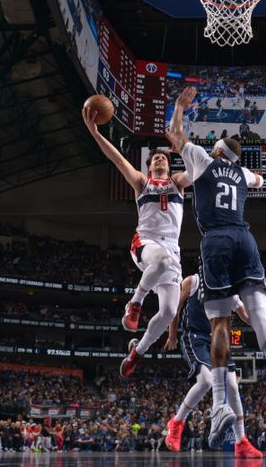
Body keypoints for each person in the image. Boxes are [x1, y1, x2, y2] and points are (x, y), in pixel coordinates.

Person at [166, 87, 266, 450]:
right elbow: (260, 179)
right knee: (261, 319)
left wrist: (180, 109)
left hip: (217, 242)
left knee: (220, 325)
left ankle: (221, 406)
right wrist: (245, 170)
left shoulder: (202, 160)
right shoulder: (243, 174)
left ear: (216, 151)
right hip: (246, 238)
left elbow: (175, 136)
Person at [82, 100, 191, 378]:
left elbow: (199, 170)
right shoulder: (142, 183)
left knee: (168, 311)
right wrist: (95, 133)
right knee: (163, 261)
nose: (159, 159)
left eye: (163, 158)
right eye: (155, 158)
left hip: (170, 251)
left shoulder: (177, 182)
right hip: (145, 243)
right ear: (149, 164)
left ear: (169, 164)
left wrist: (187, 149)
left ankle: (136, 352)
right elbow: (117, 159)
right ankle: (135, 303)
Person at [162, 273, 266, 458]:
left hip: (218, 339)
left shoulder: (227, 288)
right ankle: (177, 422)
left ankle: (241, 441)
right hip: (195, 337)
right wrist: (172, 336)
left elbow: (246, 316)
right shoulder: (192, 281)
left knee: (233, 386)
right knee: (205, 381)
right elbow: (174, 309)